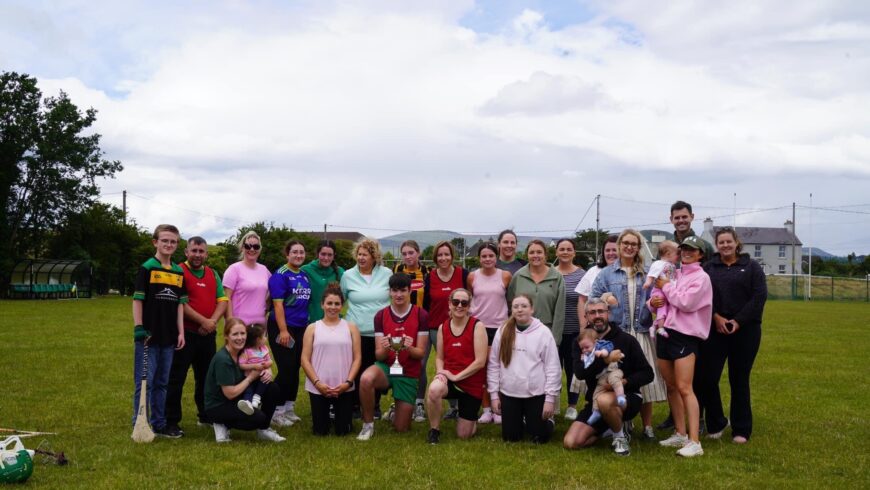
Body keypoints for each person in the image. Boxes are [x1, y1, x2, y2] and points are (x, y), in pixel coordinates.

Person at [591, 229, 666, 440]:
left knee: (645, 383)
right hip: (618, 334)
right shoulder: (606, 273)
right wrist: (606, 296)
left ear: (638, 247)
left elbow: (659, 297)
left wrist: (655, 303)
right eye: (626, 243)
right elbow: (592, 299)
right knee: (617, 378)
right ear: (619, 245)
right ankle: (624, 423)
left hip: (641, 331)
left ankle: (648, 426)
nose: (630, 247)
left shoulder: (647, 272)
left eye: (634, 244)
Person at [700, 227, 767, 444]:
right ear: (716, 245)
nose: (725, 246)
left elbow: (758, 297)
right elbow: (700, 297)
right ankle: (717, 421)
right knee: (708, 378)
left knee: (739, 380)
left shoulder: (752, 267)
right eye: (721, 242)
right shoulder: (709, 267)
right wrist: (716, 317)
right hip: (714, 328)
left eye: (729, 241)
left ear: (736, 243)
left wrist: (738, 321)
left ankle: (741, 429)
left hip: (745, 330)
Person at [563, 298, 654, 455]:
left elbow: (647, 373)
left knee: (605, 400)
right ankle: (609, 428)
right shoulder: (581, 342)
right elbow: (580, 373)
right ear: (586, 317)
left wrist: (623, 382)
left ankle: (620, 438)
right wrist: (605, 360)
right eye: (592, 312)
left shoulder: (626, 340)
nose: (597, 316)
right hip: (595, 402)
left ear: (608, 313)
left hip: (626, 397)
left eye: (601, 311)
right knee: (571, 442)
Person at [650, 236, 713, 457]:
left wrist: (666, 287)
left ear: (701, 254)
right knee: (671, 386)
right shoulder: (674, 273)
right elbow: (658, 298)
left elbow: (686, 303)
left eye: (692, 250)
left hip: (685, 336)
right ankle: (680, 433)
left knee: (685, 387)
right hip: (665, 333)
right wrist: (653, 302)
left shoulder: (702, 278)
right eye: (684, 249)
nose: (686, 252)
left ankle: (695, 442)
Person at [165, 236, 228, 434]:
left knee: (207, 378)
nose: (198, 255)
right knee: (176, 379)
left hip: (207, 335)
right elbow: (180, 303)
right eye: (194, 251)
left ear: (206, 254)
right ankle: (171, 421)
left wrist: (212, 322)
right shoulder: (177, 271)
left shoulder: (212, 274)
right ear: (186, 252)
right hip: (184, 334)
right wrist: (203, 321)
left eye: (201, 251)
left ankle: (206, 415)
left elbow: (222, 300)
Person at [357, 273, 430, 440]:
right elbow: (379, 355)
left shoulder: (421, 315)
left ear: (410, 291)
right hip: (386, 367)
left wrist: (409, 347)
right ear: (389, 292)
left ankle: (394, 412)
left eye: (403, 290)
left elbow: (419, 354)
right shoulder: (381, 315)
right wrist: (386, 347)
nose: (398, 295)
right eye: (395, 291)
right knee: (366, 379)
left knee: (401, 428)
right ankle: (367, 425)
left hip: (408, 371)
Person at [131, 224, 187, 438]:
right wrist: (139, 327)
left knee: (163, 382)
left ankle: (159, 423)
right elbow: (138, 300)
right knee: (145, 381)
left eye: (173, 241)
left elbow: (180, 304)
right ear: (155, 242)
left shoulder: (178, 271)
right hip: (149, 336)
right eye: (165, 240)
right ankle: (140, 422)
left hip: (169, 337)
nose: (169, 244)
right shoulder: (147, 268)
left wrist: (181, 332)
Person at [487, 295, 561, 444]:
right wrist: (494, 395)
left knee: (540, 438)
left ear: (532, 309)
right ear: (511, 310)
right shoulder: (503, 331)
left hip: (535, 393)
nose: (520, 309)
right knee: (511, 438)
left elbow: (553, 367)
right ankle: (520, 418)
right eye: (516, 306)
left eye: (524, 306)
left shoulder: (543, 332)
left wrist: (550, 399)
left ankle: (544, 421)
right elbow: (493, 364)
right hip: (510, 393)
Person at [204, 318, 285, 443]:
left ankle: (264, 430)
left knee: (273, 388)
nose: (240, 338)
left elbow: (262, 363)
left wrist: (268, 371)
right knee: (258, 418)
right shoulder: (223, 359)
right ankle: (222, 423)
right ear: (226, 336)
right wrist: (251, 377)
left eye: (242, 333)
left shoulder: (244, 350)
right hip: (219, 404)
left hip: (238, 396)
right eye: (235, 334)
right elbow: (229, 394)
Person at [426, 288, 488, 444]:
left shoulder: (477, 326)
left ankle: (470, 419)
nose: (459, 306)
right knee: (434, 389)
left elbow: (480, 361)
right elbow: (439, 357)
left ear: (469, 306)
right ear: (449, 304)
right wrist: (441, 373)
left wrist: (457, 376)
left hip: (471, 383)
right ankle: (434, 430)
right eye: (456, 302)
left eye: (464, 303)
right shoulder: (443, 327)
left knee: (464, 435)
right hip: (450, 378)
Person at [340, 237, 392, 417]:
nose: (361, 258)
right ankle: (354, 406)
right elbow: (340, 300)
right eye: (359, 254)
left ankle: (374, 405)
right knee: (356, 368)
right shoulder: (347, 275)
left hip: (380, 333)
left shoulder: (387, 273)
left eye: (366, 255)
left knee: (376, 369)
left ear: (374, 257)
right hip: (355, 332)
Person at [300, 286, 362, 436]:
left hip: (344, 386)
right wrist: (317, 383)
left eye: (337, 304)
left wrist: (348, 383)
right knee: (320, 431)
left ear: (342, 305)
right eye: (329, 303)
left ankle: (341, 417)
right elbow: (305, 359)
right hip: (319, 387)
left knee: (343, 431)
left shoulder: (351, 327)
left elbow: (357, 357)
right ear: (322, 304)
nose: (333, 307)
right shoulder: (312, 328)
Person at [267, 239, 312, 426]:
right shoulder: (280, 275)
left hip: (301, 327)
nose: (298, 255)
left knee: (295, 368)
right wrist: (284, 331)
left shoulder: (303, 275)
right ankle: (274, 410)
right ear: (287, 254)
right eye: (295, 252)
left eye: (301, 252)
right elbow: (277, 305)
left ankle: (289, 408)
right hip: (283, 327)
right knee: (286, 369)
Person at [422, 240, 468, 419]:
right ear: (435, 257)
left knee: (453, 365)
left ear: (452, 256)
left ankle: (455, 406)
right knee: (421, 365)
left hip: (456, 328)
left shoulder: (462, 274)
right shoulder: (430, 276)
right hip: (433, 328)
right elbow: (426, 303)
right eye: (440, 255)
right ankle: (419, 402)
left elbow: (468, 299)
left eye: (446, 254)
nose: (443, 258)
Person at [468, 241, 511, 424]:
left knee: (501, 369)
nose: (487, 259)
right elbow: (470, 299)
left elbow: (509, 300)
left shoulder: (506, 276)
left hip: (500, 328)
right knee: (483, 370)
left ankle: (499, 409)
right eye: (484, 256)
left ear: (496, 257)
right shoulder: (472, 276)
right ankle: (486, 409)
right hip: (479, 328)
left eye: (491, 256)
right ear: (479, 258)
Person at [393, 240, 429, 421]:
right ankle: (398, 401)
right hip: (400, 322)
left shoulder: (427, 273)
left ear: (418, 253)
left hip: (421, 324)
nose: (408, 257)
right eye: (404, 253)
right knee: (401, 360)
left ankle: (419, 402)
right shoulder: (397, 270)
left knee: (420, 364)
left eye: (411, 253)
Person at [507, 240, 565, 344]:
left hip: (547, 332)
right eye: (532, 252)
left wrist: (555, 340)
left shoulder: (557, 277)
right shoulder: (518, 276)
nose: (535, 255)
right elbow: (510, 305)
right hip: (522, 332)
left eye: (539, 252)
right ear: (527, 255)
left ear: (545, 255)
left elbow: (559, 312)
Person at [554, 238, 585, 420]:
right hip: (554, 331)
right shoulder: (550, 273)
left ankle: (572, 405)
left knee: (573, 369)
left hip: (575, 331)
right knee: (554, 369)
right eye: (562, 249)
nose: (565, 252)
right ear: (556, 252)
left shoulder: (582, 275)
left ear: (574, 253)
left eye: (569, 249)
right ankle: (554, 402)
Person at [578, 328, 626, 425]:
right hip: (603, 376)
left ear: (595, 342)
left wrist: (603, 352)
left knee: (615, 380)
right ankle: (596, 411)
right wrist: (584, 359)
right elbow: (582, 371)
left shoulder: (601, 344)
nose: (584, 350)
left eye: (586, 347)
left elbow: (610, 347)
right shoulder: (587, 353)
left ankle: (620, 396)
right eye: (582, 349)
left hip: (614, 371)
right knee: (597, 392)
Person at [223, 231, 271, 325]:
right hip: (239, 325)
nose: (252, 249)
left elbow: (273, 291)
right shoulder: (233, 269)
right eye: (248, 246)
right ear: (242, 248)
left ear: (260, 249)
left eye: (256, 246)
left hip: (259, 326)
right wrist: (230, 321)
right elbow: (226, 298)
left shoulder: (264, 270)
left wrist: (266, 310)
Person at [575, 236, 619, 330]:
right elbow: (582, 299)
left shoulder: (627, 272)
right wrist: (584, 326)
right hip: (596, 327)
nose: (611, 253)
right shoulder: (593, 271)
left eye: (614, 250)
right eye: (607, 250)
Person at [301, 240, 345, 323]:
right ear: (318, 254)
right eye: (323, 254)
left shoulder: (340, 272)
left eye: (330, 255)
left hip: (334, 322)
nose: (326, 258)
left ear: (334, 256)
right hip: (311, 322)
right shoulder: (305, 270)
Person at [236, 323, 273, 415]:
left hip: (261, 376)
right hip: (249, 377)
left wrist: (267, 364)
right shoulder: (247, 351)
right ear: (257, 340)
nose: (266, 338)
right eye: (264, 336)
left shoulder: (264, 349)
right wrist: (254, 366)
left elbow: (270, 361)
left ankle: (256, 399)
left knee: (264, 381)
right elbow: (241, 365)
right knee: (248, 390)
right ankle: (247, 403)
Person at [645, 240, 679, 338]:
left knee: (667, 309)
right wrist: (648, 283)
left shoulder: (673, 266)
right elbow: (651, 274)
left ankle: (654, 326)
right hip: (659, 291)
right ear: (668, 254)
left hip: (667, 290)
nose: (679, 256)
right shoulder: (659, 263)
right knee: (662, 306)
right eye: (677, 254)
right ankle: (660, 328)